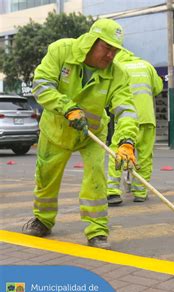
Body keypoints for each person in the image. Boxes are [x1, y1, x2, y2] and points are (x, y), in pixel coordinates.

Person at [22, 19, 139, 249]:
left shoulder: (118, 75)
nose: (111, 56)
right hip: (56, 131)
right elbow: (42, 84)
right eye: (107, 48)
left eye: (115, 51)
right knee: (46, 178)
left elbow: (126, 110)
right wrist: (67, 107)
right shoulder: (61, 51)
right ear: (91, 42)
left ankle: (97, 231)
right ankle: (43, 220)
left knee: (96, 177)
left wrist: (126, 141)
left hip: (91, 134)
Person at [107, 50, 163, 205]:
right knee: (144, 156)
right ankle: (140, 192)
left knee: (118, 153)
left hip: (126, 119)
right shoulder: (147, 66)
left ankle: (112, 191)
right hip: (146, 118)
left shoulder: (117, 67)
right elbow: (158, 88)